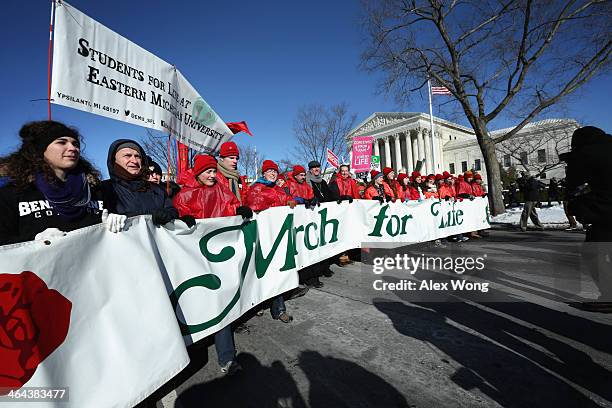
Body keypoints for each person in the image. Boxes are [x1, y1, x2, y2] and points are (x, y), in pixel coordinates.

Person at [172, 154, 252, 375]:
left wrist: (240, 211)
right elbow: (175, 224)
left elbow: (233, 205)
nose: (212, 175)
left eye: (213, 171)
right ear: (198, 173)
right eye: (208, 171)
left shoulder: (221, 189)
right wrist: (180, 219)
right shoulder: (185, 194)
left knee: (219, 302)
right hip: (193, 258)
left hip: (218, 255)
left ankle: (227, 358)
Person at [0, 120, 108, 245]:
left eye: (75, 144)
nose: (73, 148)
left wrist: (113, 226)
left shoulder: (94, 190)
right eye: (61, 142)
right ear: (40, 149)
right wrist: (34, 240)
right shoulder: (13, 192)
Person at [564, 126, 612, 311]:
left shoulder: (585, 154)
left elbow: (574, 185)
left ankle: (609, 295)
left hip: (607, 210)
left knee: (593, 251)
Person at [245, 160, 298, 322]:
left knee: (277, 271)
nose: (273, 173)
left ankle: (279, 309)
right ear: (263, 173)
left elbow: (289, 198)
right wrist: (274, 204)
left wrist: (293, 201)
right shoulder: (256, 187)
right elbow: (254, 204)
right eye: (269, 171)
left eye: (275, 171)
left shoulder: (279, 189)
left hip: (279, 236)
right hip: (262, 236)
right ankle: (258, 305)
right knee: (260, 272)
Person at [100, 139, 184, 228]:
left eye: (137, 156)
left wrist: (169, 214)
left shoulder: (157, 190)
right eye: (127, 156)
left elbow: (172, 210)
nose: (134, 161)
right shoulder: (102, 189)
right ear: (114, 161)